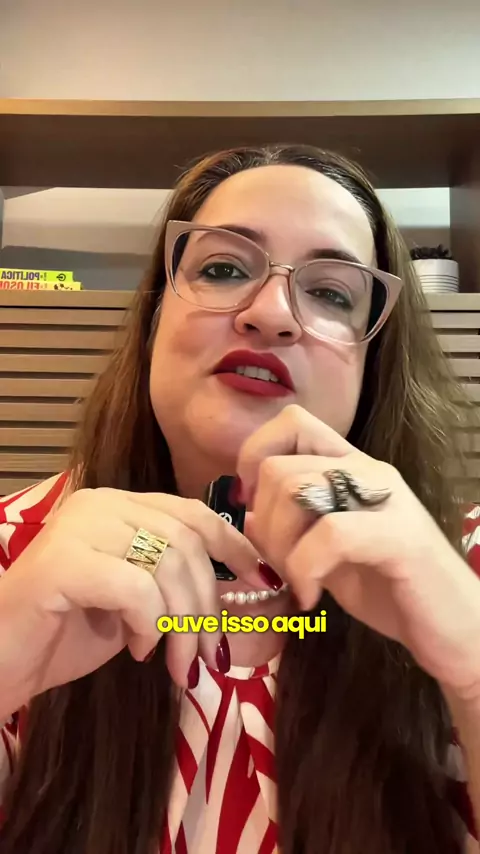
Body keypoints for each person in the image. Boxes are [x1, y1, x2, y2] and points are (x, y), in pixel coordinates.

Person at [0, 144, 479, 854]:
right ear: (154, 318)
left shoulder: (464, 566)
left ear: (372, 364)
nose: (272, 313)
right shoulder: (14, 552)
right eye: (223, 268)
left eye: (331, 293)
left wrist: (471, 667)